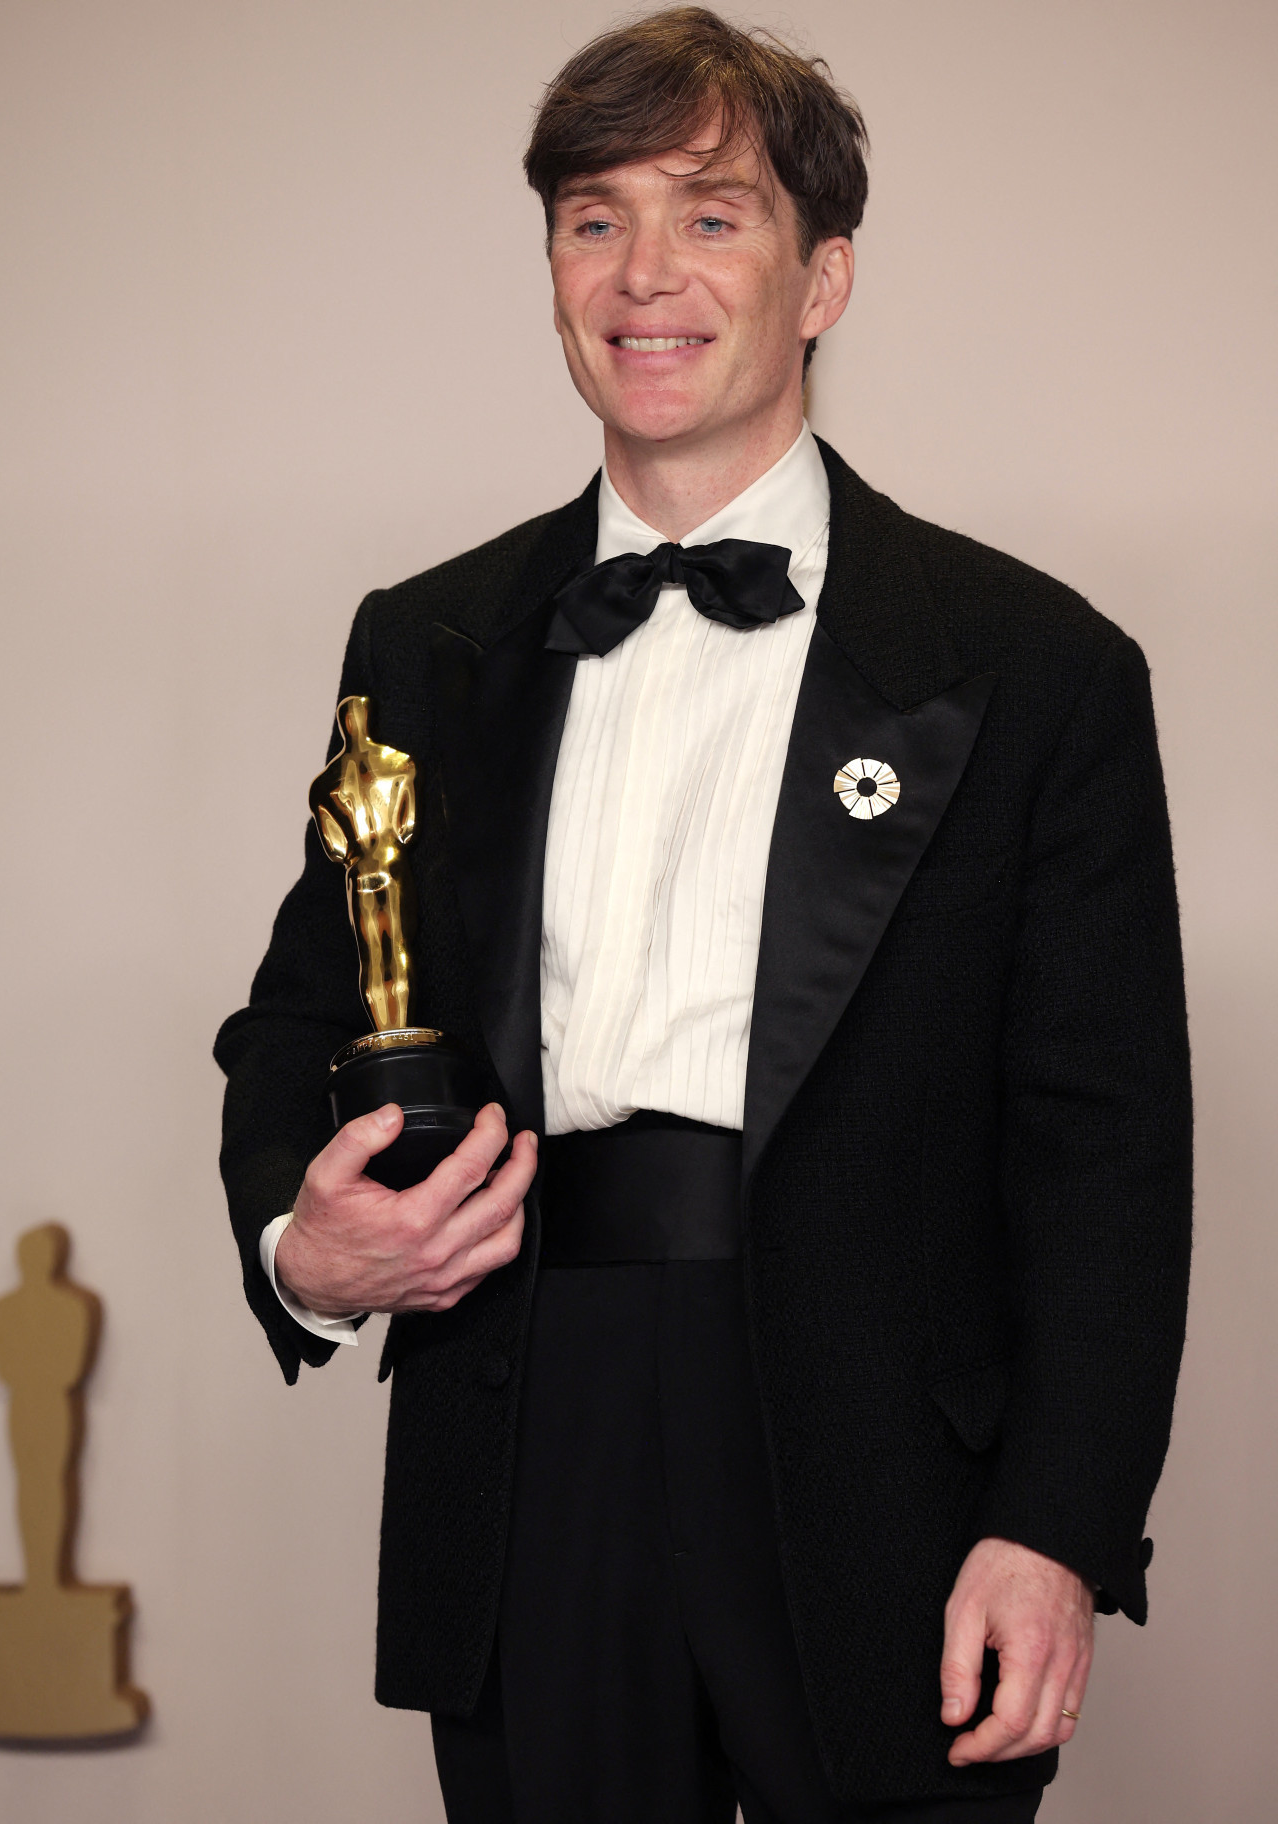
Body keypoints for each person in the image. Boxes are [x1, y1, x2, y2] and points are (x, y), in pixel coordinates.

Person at [214, 11, 1192, 1821]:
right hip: (526, 1424)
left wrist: (1053, 1529)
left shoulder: (1040, 666)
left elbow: (1109, 1152)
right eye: (594, 220)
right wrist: (303, 1249)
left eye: (710, 215)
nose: (642, 274)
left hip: (884, 1462)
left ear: (824, 277)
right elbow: (295, 1019)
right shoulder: (423, 643)